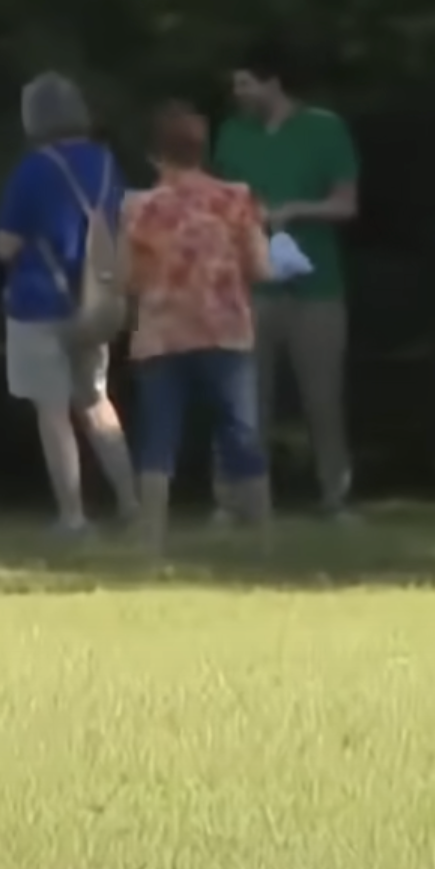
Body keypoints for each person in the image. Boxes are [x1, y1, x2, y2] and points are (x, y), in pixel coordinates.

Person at [214, 43, 360, 521]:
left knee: (323, 397)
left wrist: (295, 210)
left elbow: (346, 203)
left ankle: (335, 495)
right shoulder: (233, 134)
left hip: (315, 288)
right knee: (245, 399)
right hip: (250, 287)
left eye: (245, 83)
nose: (237, 93)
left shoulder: (324, 129)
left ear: (272, 83)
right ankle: (238, 500)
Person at [122, 101, 275, 557]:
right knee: (240, 432)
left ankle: (151, 542)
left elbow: (127, 277)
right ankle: (265, 537)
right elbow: (262, 268)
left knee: (159, 436)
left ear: (156, 155)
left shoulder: (140, 208)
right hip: (224, 330)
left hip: (162, 334)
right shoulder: (236, 198)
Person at [0, 72, 140, 536]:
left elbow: (6, 246)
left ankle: (73, 514)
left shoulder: (32, 170)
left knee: (52, 410)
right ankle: (132, 503)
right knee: (96, 400)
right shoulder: (105, 164)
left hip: (40, 305)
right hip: (95, 301)